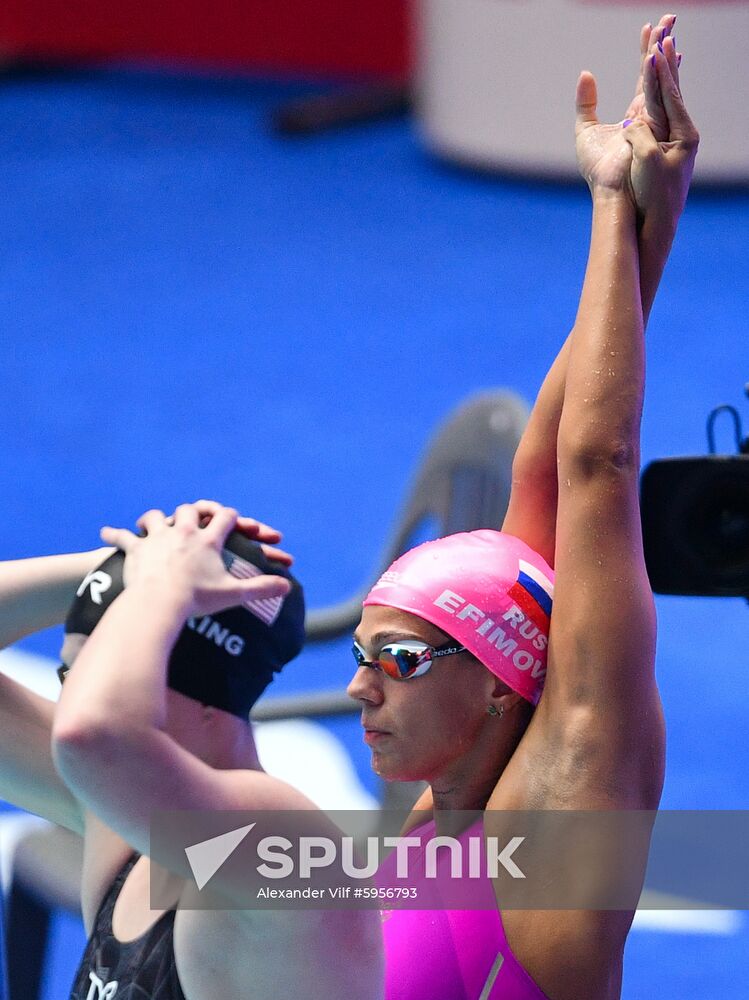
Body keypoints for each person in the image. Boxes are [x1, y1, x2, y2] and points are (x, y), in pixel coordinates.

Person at [348, 13, 699, 1000]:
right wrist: (648, 217)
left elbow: (597, 462)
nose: (360, 688)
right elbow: (544, 471)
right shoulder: (449, 791)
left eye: (399, 659)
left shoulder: (558, 815)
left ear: (503, 685)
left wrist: (602, 199)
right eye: (364, 652)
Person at [0, 502, 383, 999]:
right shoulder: (124, 822)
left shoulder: (284, 843)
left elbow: (92, 739)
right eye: (68, 676)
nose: (73, 696)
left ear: (203, 698)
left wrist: (159, 586)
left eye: (90, 675)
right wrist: (121, 562)